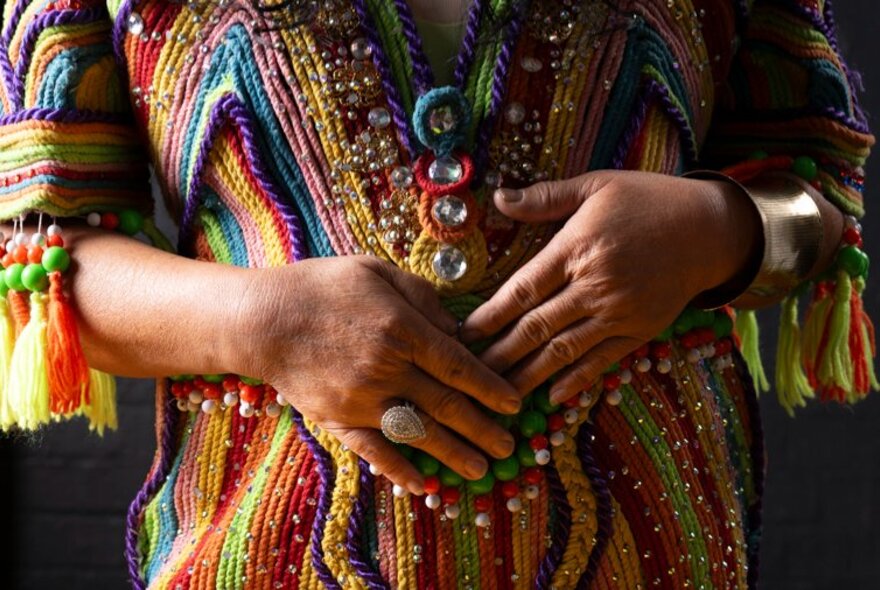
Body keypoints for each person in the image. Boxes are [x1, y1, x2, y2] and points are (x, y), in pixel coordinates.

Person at [0, 0, 874, 587]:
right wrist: (257, 324)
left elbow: (821, 201)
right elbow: (38, 258)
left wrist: (720, 231)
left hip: (650, 547)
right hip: (256, 544)